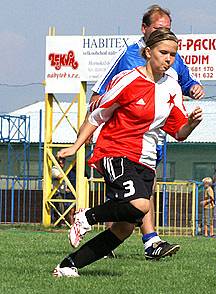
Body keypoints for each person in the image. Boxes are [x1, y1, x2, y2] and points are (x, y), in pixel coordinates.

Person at [52, 28, 203, 277]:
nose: (168, 58)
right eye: (163, 52)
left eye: (173, 55)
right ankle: (86, 216)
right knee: (140, 204)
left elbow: (179, 132)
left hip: (146, 159)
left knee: (123, 228)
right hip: (115, 150)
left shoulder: (173, 88)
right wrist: (77, 145)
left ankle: (68, 266)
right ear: (147, 52)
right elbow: (97, 114)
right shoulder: (128, 79)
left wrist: (192, 123)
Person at [88, 4, 205, 260]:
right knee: (132, 195)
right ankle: (148, 240)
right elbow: (100, 92)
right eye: (158, 28)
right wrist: (96, 118)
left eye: (168, 29)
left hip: (155, 137)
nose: (164, 32)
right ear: (144, 29)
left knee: (142, 192)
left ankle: (140, 242)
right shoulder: (128, 55)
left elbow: (184, 82)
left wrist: (194, 86)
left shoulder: (172, 56)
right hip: (123, 141)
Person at [51, 157, 68, 226]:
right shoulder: (54, 169)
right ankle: (57, 222)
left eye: (63, 163)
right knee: (59, 207)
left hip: (61, 191)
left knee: (59, 207)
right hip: (55, 192)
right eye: (60, 163)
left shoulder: (60, 170)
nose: (62, 165)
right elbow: (59, 176)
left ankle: (58, 222)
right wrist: (68, 171)